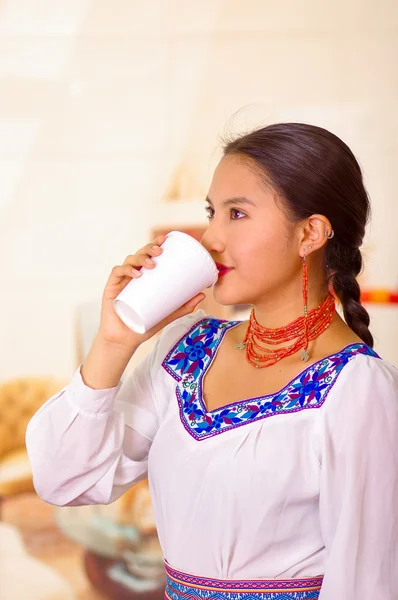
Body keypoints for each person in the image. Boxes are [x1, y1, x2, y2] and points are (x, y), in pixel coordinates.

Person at [26, 123, 398, 600]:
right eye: (212, 212)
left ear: (310, 233)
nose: (211, 238)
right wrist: (115, 340)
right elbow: (63, 480)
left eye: (236, 213)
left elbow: (368, 585)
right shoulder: (186, 349)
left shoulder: (360, 389)